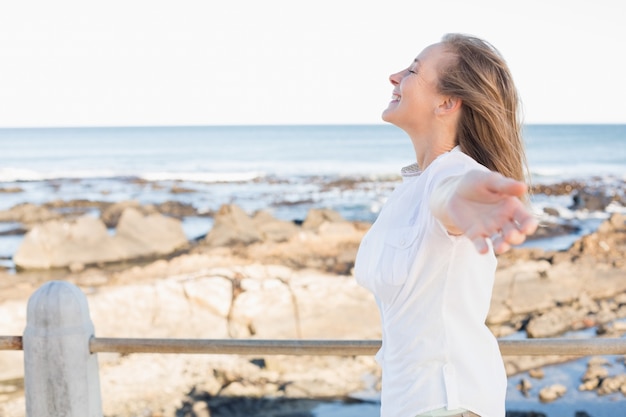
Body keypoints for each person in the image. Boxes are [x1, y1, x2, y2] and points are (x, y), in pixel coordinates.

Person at [354, 33, 538, 417]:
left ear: (448, 102)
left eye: (413, 71)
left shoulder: (452, 174)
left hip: (449, 403)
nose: (394, 76)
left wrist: (462, 196)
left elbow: (450, 192)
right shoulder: (414, 185)